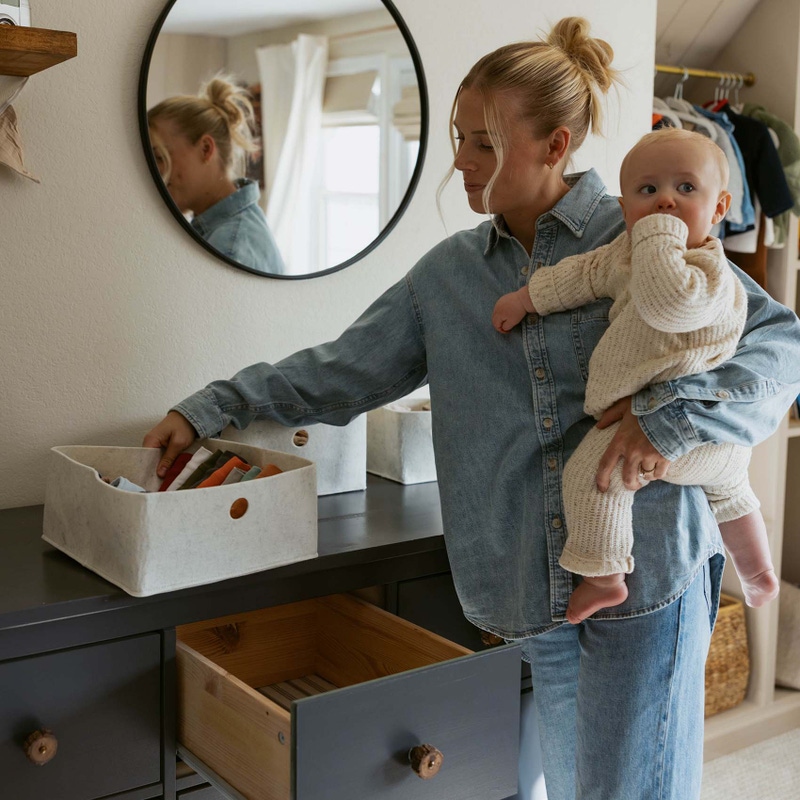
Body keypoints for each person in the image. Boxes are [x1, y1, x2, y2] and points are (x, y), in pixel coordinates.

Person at [143, 18, 800, 800]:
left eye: (481, 142)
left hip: (651, 573)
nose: (458, 158)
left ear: (555, 146)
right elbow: (337, 372)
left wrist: (671, 423)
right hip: (533, 591)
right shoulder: (446, 279)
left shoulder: (647, 227)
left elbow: (776, 344)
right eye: (458, 138)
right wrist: (210, 406)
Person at [492, 128, 780, 625]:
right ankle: (757, 571)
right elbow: (579, 277)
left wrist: (658, 236)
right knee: (732, 491)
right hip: (704, 443)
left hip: (687, 429)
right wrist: (526, 298)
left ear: (719, 208)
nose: (666, 200)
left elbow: (667, 304)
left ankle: (604, 577)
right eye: (648, 192)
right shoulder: (623, 254)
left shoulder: (710, 272)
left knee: (594, 475)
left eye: (685, 189)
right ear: (625, 208)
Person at [148, 75, 286, 274]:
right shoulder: (227, 234)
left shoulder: (229, 247)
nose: (155, 171)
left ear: (205, 149)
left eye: (160, 157)